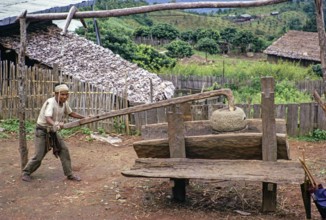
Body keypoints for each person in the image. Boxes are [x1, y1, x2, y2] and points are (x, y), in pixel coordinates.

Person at [22, 83, 85, 182]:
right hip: (42, 131)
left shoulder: (65, 103)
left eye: (66, 94)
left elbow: (71, 113)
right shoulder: (50, 102)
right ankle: (26, 172)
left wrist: (84, 118)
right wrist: (55, 124)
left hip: (52, 131)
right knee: (39, 155)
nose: (64, 97)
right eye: (62, 94)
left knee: (64, 150)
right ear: (56, 94)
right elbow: (48, 118)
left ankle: (69, 174)